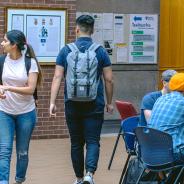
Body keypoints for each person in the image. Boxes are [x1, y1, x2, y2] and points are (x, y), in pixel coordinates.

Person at [50, 15, 114, 184]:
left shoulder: (66, 50)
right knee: (93, 140)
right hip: (95, 103)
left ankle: (78, 178)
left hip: (72, 103)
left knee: (76, 143)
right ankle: (89, 174)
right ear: (92, 30)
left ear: (76, 29)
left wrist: (52, 102)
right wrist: (109, 102)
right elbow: (108, 79)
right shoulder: (100, 51)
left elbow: (57, 77)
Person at [0, 30, 42, 184]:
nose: (2, 43)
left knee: (22, 152)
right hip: (4, 111)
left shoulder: (30, 63)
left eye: (5, 41)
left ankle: (19, 180)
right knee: (4, 150)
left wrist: (9, 88)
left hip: (26, 113)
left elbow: (31, 89)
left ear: (14, 45)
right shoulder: (2, 60)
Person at [148, 72, 184, 183]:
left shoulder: (160, 99)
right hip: (171, 154)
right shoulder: (182, 102)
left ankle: (166, 180)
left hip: (149, 152)